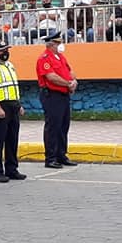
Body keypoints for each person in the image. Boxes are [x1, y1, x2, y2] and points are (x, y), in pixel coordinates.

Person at [0, 41, 26, 183]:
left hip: (13, 106)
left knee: (12, 139)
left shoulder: (10, 66)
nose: (6, 53)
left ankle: (11, 169)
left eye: (7, 50)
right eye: (2, 50)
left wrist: (18, 105)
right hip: (1, 106)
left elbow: (13, 86)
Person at [37, 33, 78, 169]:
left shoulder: (60, 57)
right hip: (52, 95)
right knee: (53, 127)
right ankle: (51, 158)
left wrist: (73, 81)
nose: (60, 45)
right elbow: (51, 77)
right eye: (58, 43)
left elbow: (69, 70)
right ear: (51, 44)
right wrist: (68, 83)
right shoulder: (44, 59)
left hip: (63, 94)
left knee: (63, 126)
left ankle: (61, 155)